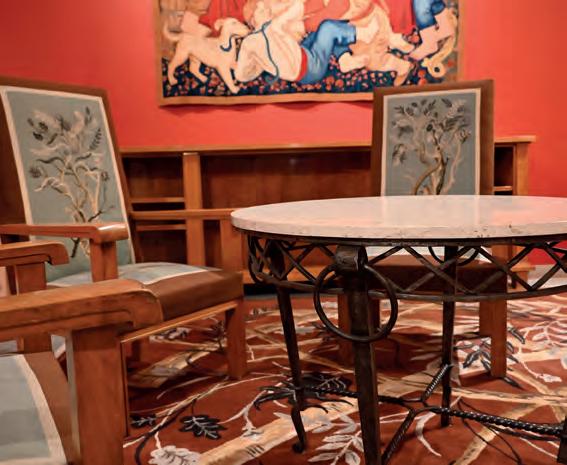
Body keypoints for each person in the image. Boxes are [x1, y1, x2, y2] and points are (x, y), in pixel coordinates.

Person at [234, 0, 376, 85]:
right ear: (253, 20)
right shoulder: (273, 26)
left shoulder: (250, 42)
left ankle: (344, 59)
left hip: (303, 56)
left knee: (318, 32)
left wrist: (261, 65)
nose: (266, 10)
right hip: (309, 67)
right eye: (261, 9)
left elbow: (241, 76)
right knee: (327, 27)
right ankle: (365, 34)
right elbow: (295, 10)